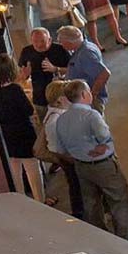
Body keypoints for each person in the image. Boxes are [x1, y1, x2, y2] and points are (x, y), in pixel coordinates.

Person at [53, 80, 128, 241]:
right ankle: (124, 240)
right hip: (103, 165)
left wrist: (79, 152)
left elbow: (61, 149)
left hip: (81, 166)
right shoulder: (91, 115)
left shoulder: (62, 119)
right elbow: (104, 137)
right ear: (84, 94)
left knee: (91, 203)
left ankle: (101, 238)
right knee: (118, 199)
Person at [0, 54, 47, 204]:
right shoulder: (14, 89)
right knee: (32, 169)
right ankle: (40, 201)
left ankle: (21, 201)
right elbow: (28, 110)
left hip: (4, 136)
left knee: (15, 171)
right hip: (23, 133)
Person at [42, 80, 84, 219]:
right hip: (68, 158)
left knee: (76, 184)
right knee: (75, 185)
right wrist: (71, 158)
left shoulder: (59, 113)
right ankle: (79, 214)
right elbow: (54, 147)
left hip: (70, 156)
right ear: (60, 99)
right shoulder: (55, 119)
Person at [19, 27, 70, 120]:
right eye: (35, 41)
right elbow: (21, 76)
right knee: (45, 123)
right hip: (40, 98)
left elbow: (73, 69)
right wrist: (25, 75)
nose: (39, 45)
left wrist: (56, 69)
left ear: (50, 40)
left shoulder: (60, 49)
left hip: (61, 97)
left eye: (42, 41)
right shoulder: (26, 51)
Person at [57, 25, 110, 113]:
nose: (61, 45)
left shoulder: (85, 54)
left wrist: (92, 95)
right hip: (84, 98)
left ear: (69, 42)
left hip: (87, 101)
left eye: (61, 42)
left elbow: (104, 74)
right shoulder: (84, 48)